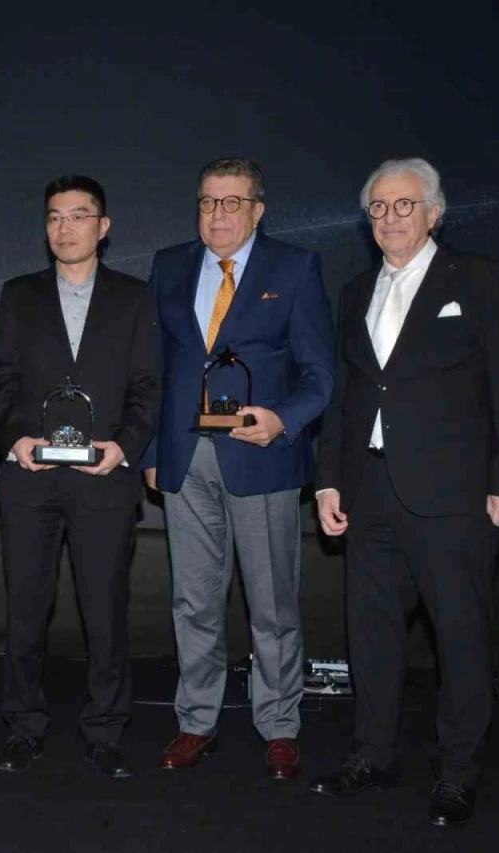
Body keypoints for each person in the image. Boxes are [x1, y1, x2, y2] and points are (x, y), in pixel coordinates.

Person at [309, 158, 499, 827]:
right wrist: (328, 477)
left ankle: (458, 771)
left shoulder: (477, 278)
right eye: (378, 207)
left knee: (460, 637)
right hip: (369, 489)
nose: (390, 217)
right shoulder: (356, 291)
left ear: (434, 212)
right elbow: (347, 396)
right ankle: (372, 753)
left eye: (404, 204)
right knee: (371, 634)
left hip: (454, 495)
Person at [141, 158, 335, 779]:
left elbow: (320, 374)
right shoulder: (169, 266)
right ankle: (196, 720)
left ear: (257, 210)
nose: (217, 214)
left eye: (231, 203)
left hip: (261, 456)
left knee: (272, 604)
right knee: (192, 601)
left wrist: (283, 420)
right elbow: (156, 370)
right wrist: (153, 452)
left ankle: (278, 725)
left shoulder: (295, 267)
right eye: (207, 202)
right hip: (185, 457)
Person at [0, 175, 159, 779]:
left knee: (105, 613)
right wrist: (14, 438)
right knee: (25, 612)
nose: (65, 228)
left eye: (79, 216)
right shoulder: (19, 295)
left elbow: (148, 387)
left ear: (103, 227)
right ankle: (23, 726)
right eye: (55, 217)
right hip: (30, 480)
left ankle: (106, 730)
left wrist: (125, 447)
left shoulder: (135, 298)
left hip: (104, 480)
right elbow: (1, 382)